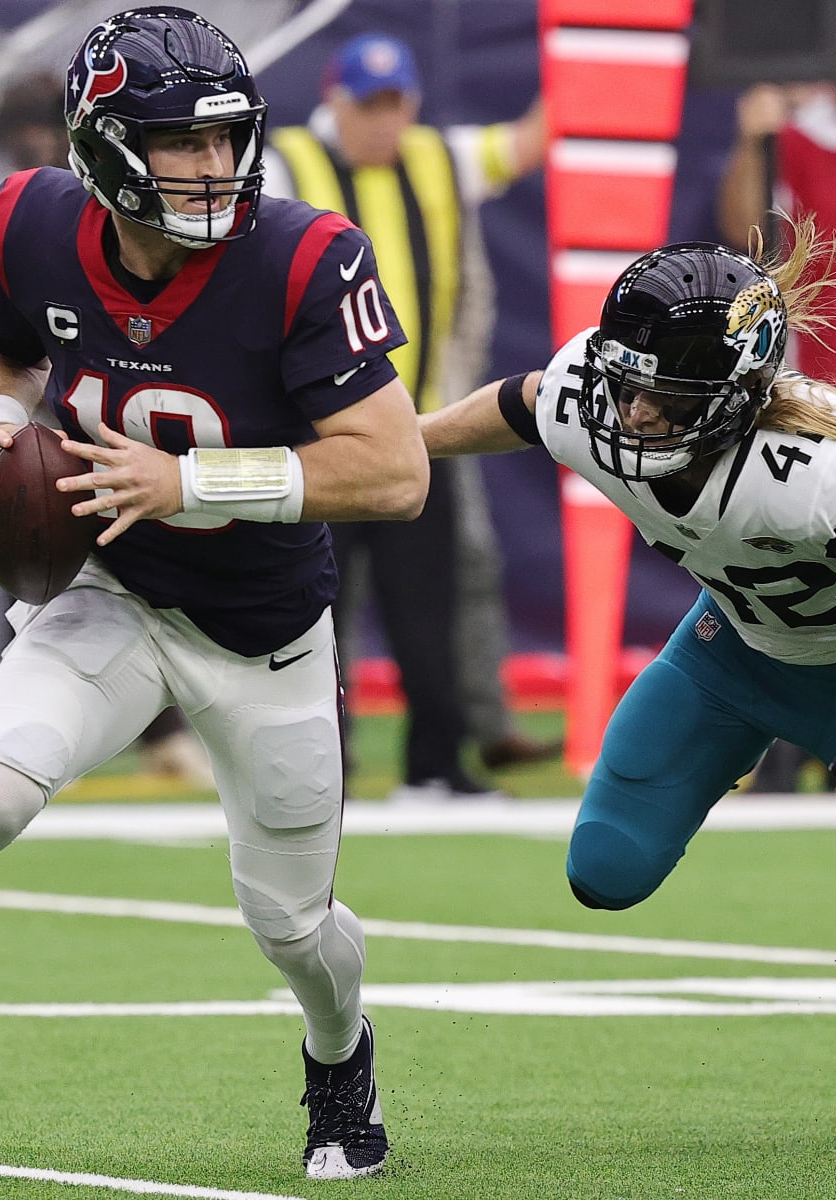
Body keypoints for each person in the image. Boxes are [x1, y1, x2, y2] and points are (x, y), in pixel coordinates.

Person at [0, 7, 429, 1181]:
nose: (214, 170)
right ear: (102, 147)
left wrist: (190, 477)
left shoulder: (304, 253)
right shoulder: (29, 220)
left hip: (264, 632)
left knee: (293, 930)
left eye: (225, 140)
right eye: (180, 144)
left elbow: (395, 469)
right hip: (113, 585)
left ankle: (339, 1053)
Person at [418, 217, 836, 924]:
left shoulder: (814, 475)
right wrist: (407, 441)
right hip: (735, 655)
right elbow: (524, 404)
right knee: (608, 864)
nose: (635, 413)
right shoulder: (594, 400)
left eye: (668, 396)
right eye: (625, 385)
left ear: (739, 394)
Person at [266, 33, 557, 801]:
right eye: (370, 105)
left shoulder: (439, 157)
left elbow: (528, 144)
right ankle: (315, 768)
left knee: (430, 607)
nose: (384, 121)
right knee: (313, 610)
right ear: (335, 100)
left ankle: (436, 760)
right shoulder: (287, 166)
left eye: (397, 104)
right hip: (318, 435)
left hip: (418, 434)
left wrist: (590, 53)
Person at [0, 68, 216, 790]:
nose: (32, 140)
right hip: (53, 413)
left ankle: (160, 729)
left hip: (142, 414)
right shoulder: (21, 209)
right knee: (32, 541)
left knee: (152, 565)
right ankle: (26, 726)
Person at [716, 0, 836, 791]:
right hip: (831, 401)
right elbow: (742, 234)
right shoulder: (796, 139)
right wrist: (750, 140)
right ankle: (791, 747)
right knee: (819, 566)